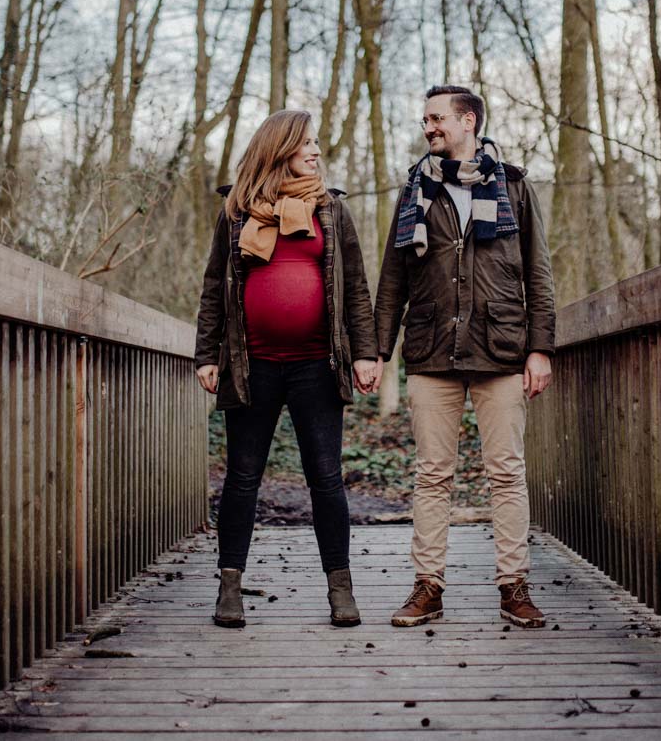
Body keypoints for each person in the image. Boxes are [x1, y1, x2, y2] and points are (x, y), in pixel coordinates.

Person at [371, 85, 556, 628]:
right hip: (431, 351)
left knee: (507, 473)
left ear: (468, 119)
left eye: (436, 118)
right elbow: (392, 279)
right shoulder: (415, 190)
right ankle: (428, 587)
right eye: (424, 119)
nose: (428, 127)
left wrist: (540, 347)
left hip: (501, 349)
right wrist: (377, 351)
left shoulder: (514, 187)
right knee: (432, 475)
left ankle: (513, 587)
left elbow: (538, 274)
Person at [194, 109, 382, 628]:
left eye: (318, 143)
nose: (316, 151)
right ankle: (229, 589)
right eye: (307, 144)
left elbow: (356, 288)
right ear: (280, 148)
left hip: (316, 367)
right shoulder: (236, 211)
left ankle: (340, 590)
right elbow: (215, 287)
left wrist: (365, 352)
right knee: (242, 480)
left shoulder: (330, 210)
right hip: (250, 366)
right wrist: (207, 354)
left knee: (325, 479)